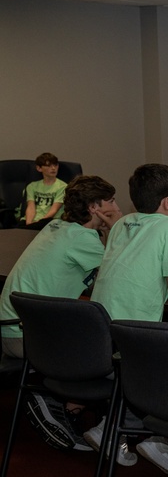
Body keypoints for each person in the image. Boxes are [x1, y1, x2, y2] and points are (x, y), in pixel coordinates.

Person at [86, 163, 168, 477]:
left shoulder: (123, 224)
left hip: (100, 333)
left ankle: (111, 426)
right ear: (166, 203)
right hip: (134, 338)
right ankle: (159, 439)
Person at [0, 175, 121, 451]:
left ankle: (70, 402)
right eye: (111, 200)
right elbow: (121, 273)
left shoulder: (56, 226)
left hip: (14, 329)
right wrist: (116, 229)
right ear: (95, 208)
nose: (116, 205)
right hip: (30, 339)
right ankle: (56, 396)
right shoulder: (83, 240)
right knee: (114, 351)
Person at [22, 152, 67, 227]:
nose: (53, 168)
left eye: (55, 165)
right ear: (39, 168)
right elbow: (31, 207)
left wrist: (38, 223)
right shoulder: (32, 186)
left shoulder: (63, 187)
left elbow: (54, 210)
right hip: (32, 221)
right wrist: (29, 223)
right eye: (48, 166)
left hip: (51, 222)